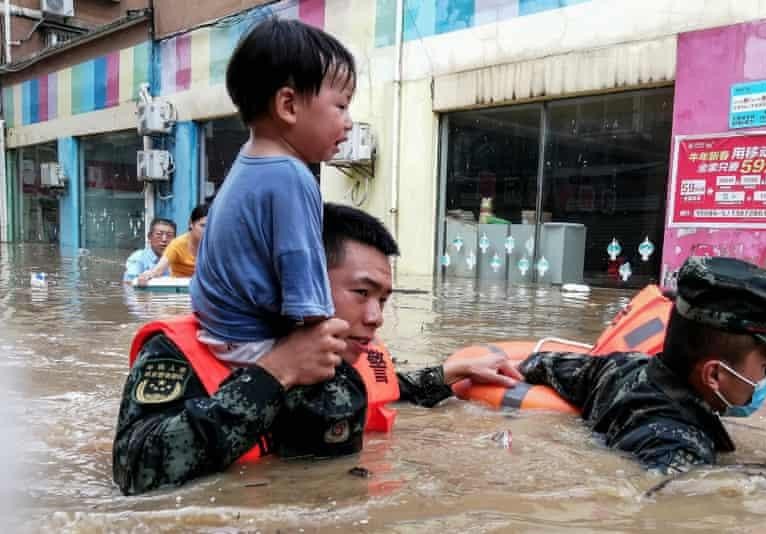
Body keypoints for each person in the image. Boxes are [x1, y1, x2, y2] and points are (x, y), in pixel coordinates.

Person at [113, 203, 520, 495]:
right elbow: (134, 470)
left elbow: (390, 388)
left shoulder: (350, 352)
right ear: (298, 280)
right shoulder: (180, 351)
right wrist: (274, 374)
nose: (376, 316)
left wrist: (450, 374)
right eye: (361, 293)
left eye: (384, 299)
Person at [513, 255, 766, 473]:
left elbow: (540, 363)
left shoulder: (621, 366)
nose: (764, 377)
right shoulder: (680, 448)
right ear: (714, 375)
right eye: (764, 365)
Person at [189, 17, 355, 367]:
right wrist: (333, 338)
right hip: (253, 344)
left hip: (219, 333)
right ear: (289, 106)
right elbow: (306, 290)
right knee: (346, 382)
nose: (349, 121)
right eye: (341, 105)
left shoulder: (248, 163)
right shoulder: (291, 176)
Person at [136, 204, 208, 284]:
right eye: (203, 225)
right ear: (191, 224)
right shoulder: (177, 244)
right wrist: (148, 275)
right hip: (180, 290)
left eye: (210, 226)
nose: (206, 230)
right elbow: (158, 269)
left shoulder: (216, 245)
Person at [123, 218, 176, 283]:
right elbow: (129, 284)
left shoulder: (177, 258)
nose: (164, 239)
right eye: (159, 234)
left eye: (169, 235)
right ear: (149, 237)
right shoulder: (138, 258)